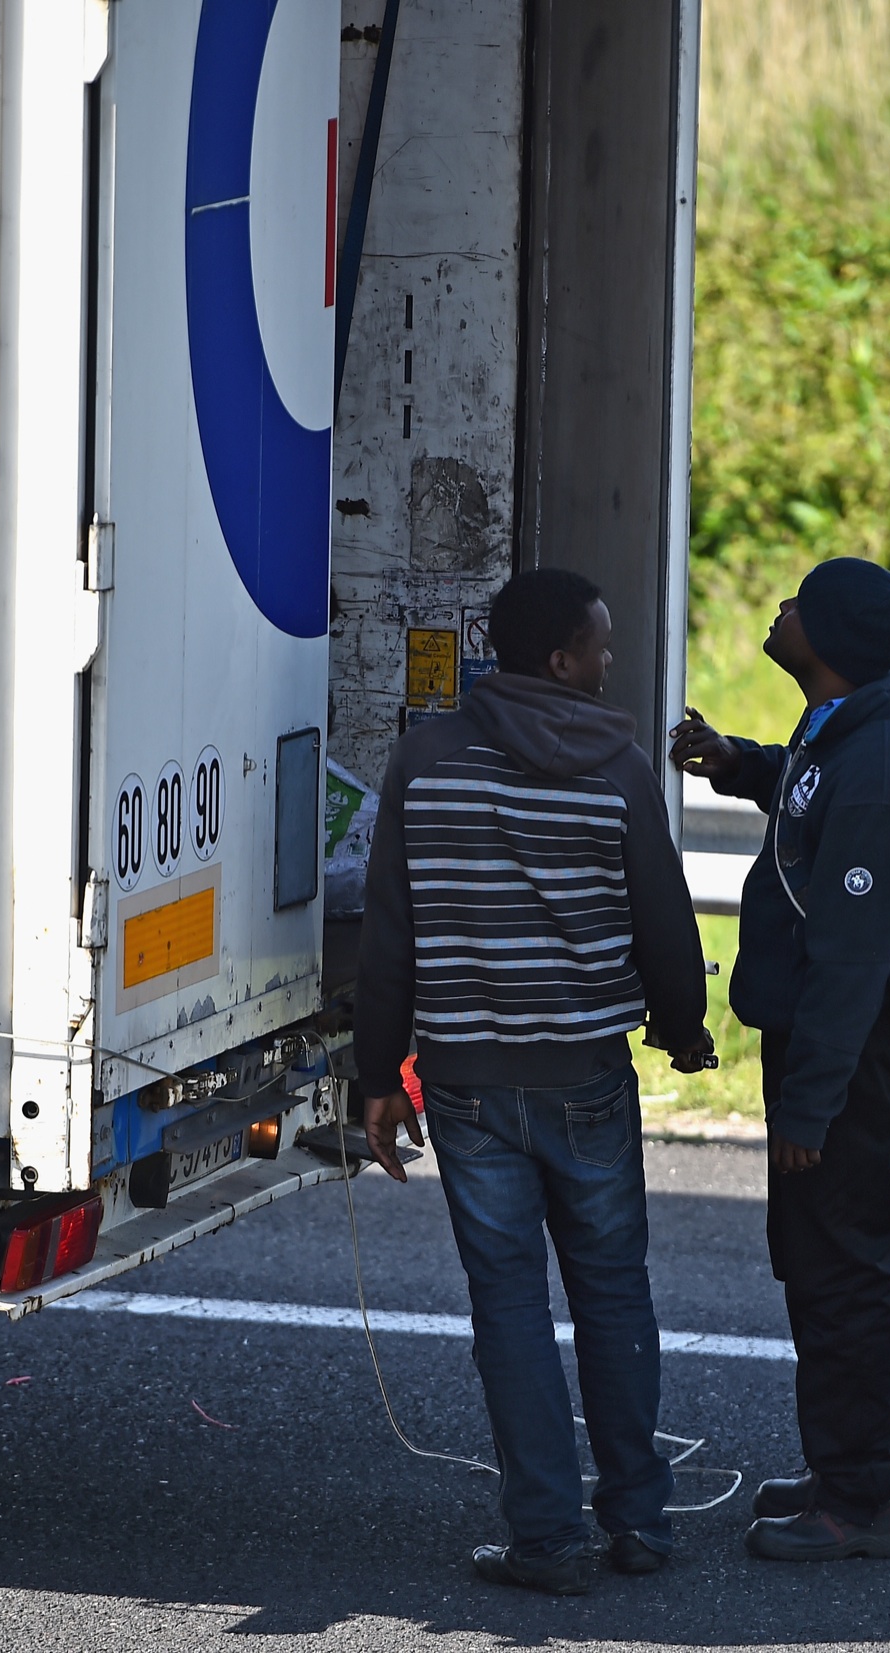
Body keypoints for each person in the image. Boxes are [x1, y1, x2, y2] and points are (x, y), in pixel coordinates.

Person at [354, 568, 713, 1595]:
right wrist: (682, 1029)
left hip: (466, 1083)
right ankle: (638, 1521)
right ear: (560, 660)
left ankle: (547, 1541)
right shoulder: (618, 768)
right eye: (599, 644)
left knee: (507, 1304)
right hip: (587, 1074)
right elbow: (664, 921)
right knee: (612, 1292)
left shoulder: (424, 761)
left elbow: (391, 936)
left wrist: (377, 1075)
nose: (609, 659)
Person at [670, 556, 890, 1562]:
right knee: (820, 1256)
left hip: (848, 1047)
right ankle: (867, 1462)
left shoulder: (877, 769)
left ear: (827, 639)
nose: (780, 607)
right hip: (831, 1040)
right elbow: (808, 799)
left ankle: (861, 1502)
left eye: (797, 601)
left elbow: (850, 960)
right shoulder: (843, 721)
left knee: (835, 1264)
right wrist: (737, 762)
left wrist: (808, 1107)